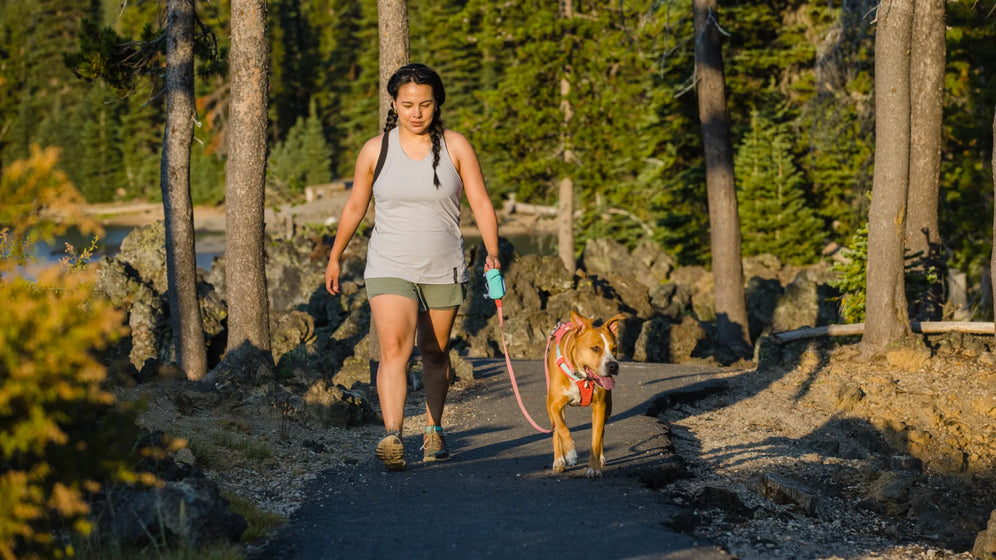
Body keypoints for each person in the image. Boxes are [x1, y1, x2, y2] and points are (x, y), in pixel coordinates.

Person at [325, 63, 501, 472]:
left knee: (434, 354)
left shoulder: (457, 146)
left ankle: (434, 430)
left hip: (444, 267)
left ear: (436, 104)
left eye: (424, 104)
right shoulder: (376, 150)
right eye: (408, 105)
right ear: (394, 104)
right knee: (394, 350)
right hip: (389, 265)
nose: (416, 112)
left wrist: (492, 251)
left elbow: (481, 201)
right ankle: (392, 435)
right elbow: (355, 205)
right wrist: (335, 255)